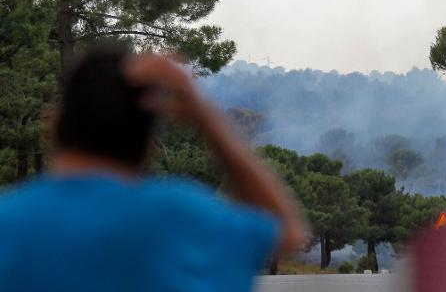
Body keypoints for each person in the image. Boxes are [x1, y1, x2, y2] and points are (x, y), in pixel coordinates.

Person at [0, 46, 306, 292]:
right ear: (150, 143)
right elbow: (285, 232)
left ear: (52, 125)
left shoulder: (8, 223)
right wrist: (206, 118)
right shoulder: (183, 216)